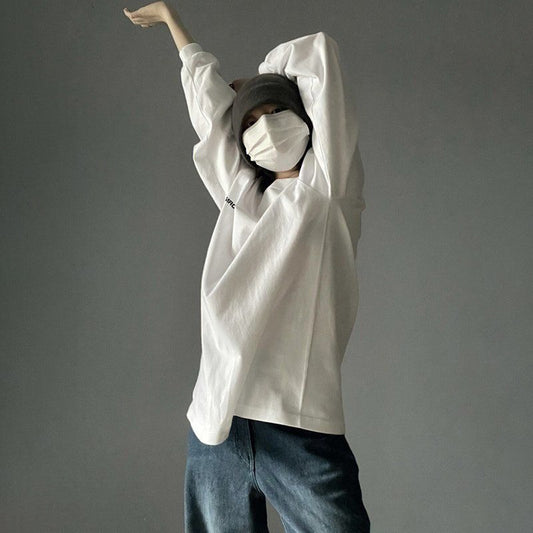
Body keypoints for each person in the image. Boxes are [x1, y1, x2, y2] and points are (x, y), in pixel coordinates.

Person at [124, 3, 370, 532]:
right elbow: (210, 115)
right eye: (252, 122)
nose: (265, 127)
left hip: (297, 422)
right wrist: (173, 24)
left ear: (305, 117)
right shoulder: (239, 195)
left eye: (276, 111)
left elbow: (319, 54)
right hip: (217, 421)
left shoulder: (327, 190)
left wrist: (262, 81)